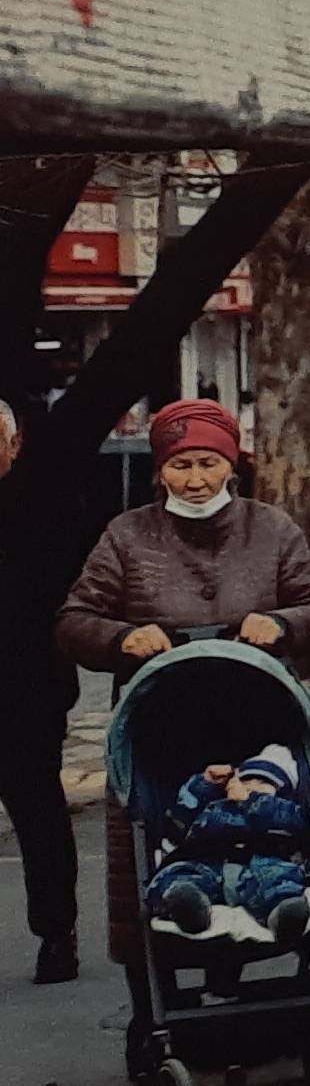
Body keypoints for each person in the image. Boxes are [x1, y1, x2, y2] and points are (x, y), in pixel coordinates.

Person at [56, 398, 310, 1072]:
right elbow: (73, 619)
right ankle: (153, 1010)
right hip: (160, 723)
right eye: (180, 465)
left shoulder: (271, 529)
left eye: (207, 462)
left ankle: (251, 975)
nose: (194, 478)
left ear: (231, 462)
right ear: (161, 470)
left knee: (261, 837)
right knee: (154, 854)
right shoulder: (127, 536)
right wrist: (125, 637)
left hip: (257, 718)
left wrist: (287, 624)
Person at [0, 399, 80, 984]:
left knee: (39, 817)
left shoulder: (46, 510)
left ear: (13, 445)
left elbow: (74, 601)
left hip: (24, 691)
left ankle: (57, 932)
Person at [147, 743, 310, 945]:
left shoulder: (283, 810)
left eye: (263, 783)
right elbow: (179, 821)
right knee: (180, 875)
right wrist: (204, 784)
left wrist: (251, 800)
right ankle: (191, 908)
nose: (251, 785)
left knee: (278, 879)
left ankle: (282, 914)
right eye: (246, 779)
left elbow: (295, 822)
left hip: (260, 867)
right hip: (209, 863)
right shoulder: (216, 805)